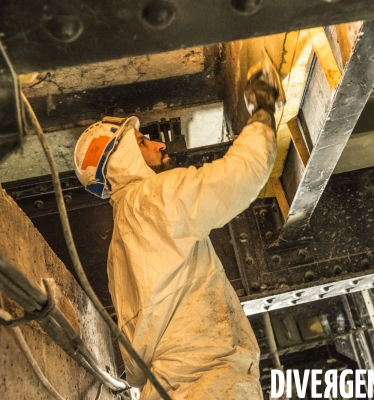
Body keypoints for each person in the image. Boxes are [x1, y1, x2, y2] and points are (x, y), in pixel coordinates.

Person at [74, 68, 280, 399]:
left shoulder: (120, 246)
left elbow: (136, 358)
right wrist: (263, 114)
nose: (157, 144)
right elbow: (238, 178)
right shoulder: (151, 200)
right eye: (141, 142)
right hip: (210, 380)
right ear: (119, 159)